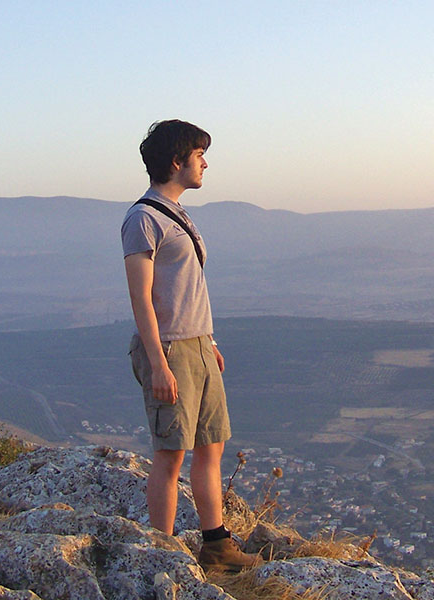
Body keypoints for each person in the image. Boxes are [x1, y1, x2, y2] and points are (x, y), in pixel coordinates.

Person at [121, 119, 262, 572]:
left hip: (198, 345)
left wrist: (209, 341)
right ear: (177, 161)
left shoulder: (178, 213)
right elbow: (140, 297)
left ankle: (216, 545)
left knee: (212, 445)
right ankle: (160, 553)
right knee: (169, 454)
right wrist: (159, 364)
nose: (205, 162)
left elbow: (186, 287)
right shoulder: (143, 218)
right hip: (170, 349)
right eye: (198, 154)